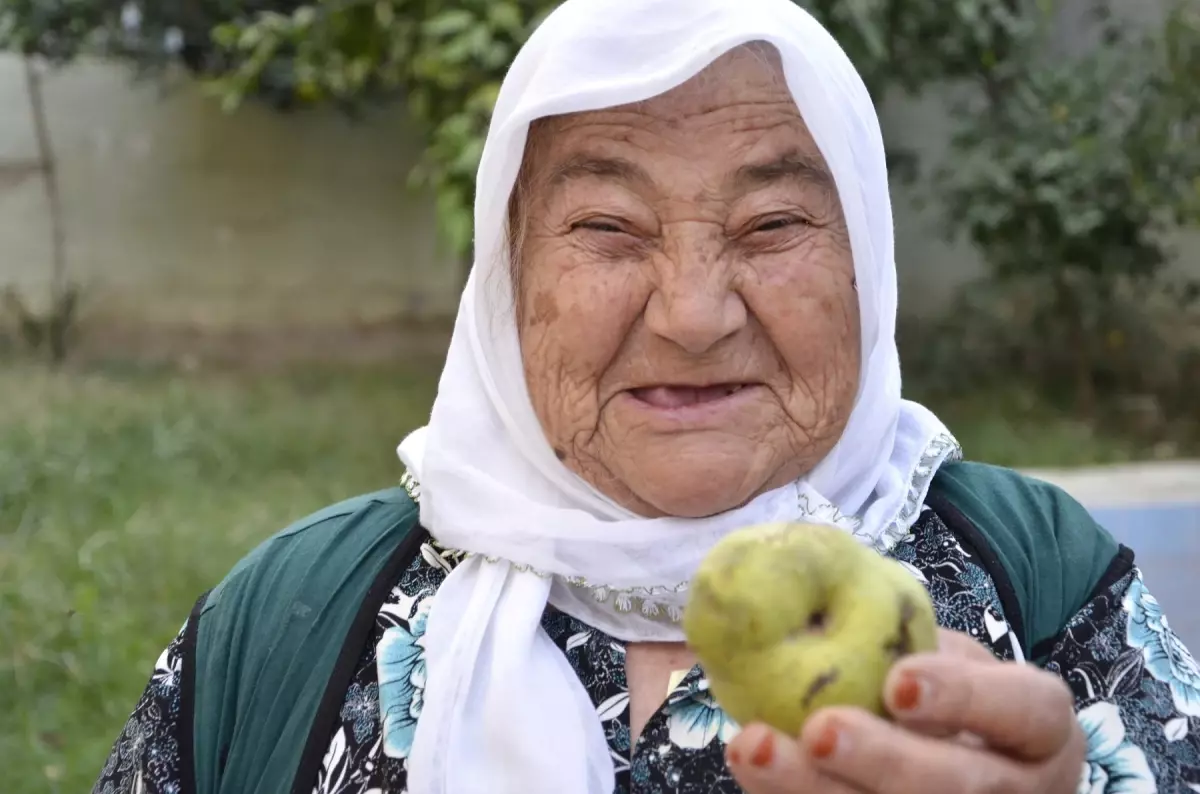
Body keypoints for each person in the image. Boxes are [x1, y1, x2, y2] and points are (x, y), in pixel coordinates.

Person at [93, 0, 1200, 791]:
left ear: (867, 261)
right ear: (507, 278)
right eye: (608, 229)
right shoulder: (291, 616)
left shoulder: (1043, 575)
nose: (693, 313)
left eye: (772, 226)